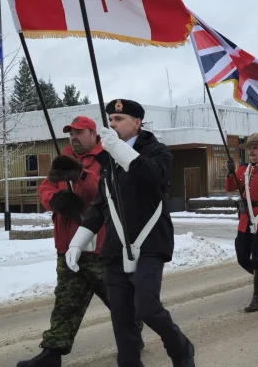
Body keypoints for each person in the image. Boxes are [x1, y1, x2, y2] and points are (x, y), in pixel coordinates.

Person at [68, 99, 194, 367]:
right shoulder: (108, 160)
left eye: (119, 119)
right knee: (122, 319)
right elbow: (101, 205)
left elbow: (154, 177)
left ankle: (181, 348)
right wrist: (78, 241)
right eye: (110, 120)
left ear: (137, 123)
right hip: (116, 246)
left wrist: (116, 149)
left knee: (146, 307)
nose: (112, 124)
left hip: (150, 242)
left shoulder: (157, 151)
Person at [18, 116, 106, 367]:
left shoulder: (105, 158)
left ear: (92, 133)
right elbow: (45, 188)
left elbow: (103, 190)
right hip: (67, 246)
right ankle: (52, 354)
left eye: (79, 132)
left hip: (98, 246)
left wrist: (79, 174)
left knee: (119, 300)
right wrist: (55, 200)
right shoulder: (64, 158)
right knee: (66, 301)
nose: (73, 137)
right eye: (71, 133)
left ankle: (131, 339)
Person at [225, 133, 258, 311]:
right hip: (245, 221)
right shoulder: (242, 170)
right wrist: (230, 172)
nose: (252, 151)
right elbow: (230, 188)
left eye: (255, 147)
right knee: (242, 257)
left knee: (257, 258)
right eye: (249, 148)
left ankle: (257, 299)